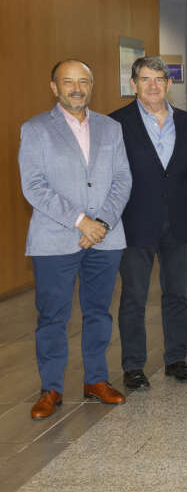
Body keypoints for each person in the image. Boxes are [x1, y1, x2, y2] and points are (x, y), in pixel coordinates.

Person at [20, 59, 132, 420]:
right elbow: (34, 186)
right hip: (55, 239)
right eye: (68, 82)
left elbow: (123, 180)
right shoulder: (35, 129)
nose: (77, 89)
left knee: (99, 312)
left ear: (91, 86)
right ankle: (51, 388)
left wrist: (101, 223)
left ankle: (96, 380)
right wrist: (82, 222)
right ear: (54, 87)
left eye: (83, 82)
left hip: (105, 237)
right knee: (53, 315)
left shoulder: (111, 128)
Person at [110, 56, 187, 391]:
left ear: (169, 83)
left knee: (177, 294)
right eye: (145, 79)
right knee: (134, 297)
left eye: (159, 79)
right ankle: (133, 366)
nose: (152, 86)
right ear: (133, 84)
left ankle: (176, 359)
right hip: (135, 223)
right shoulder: (116, 123)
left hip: (179, 223)